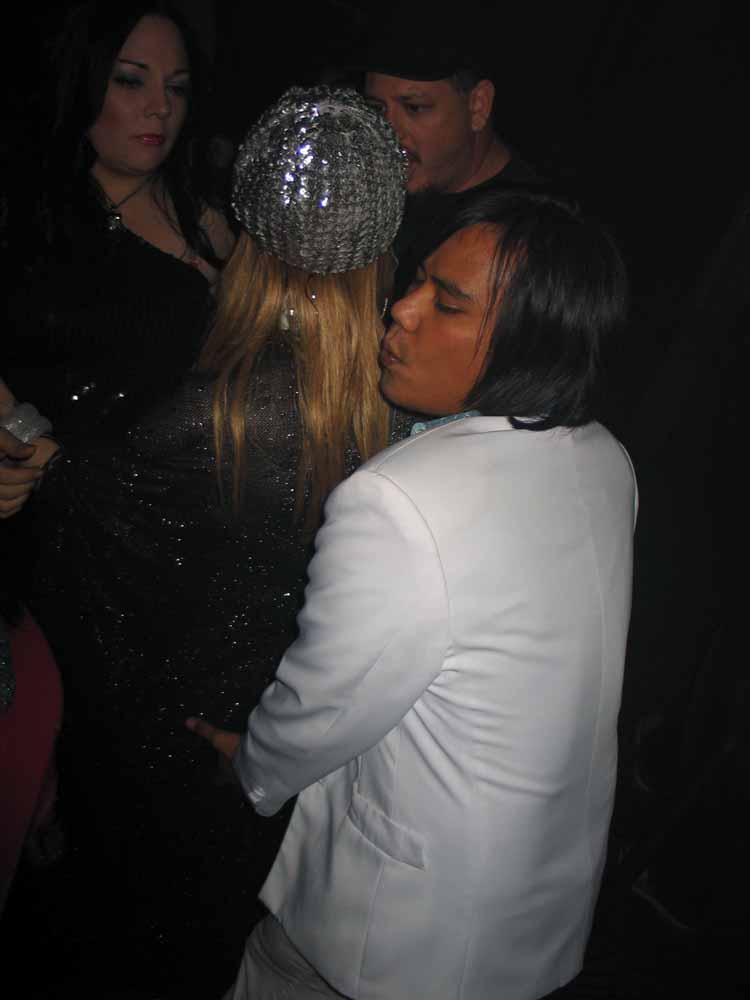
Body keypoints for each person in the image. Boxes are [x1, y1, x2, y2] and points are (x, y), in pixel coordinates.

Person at [0, 87, 406, 998]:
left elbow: (97, 520)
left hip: (174, 745)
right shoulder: (394, 399)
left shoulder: (221, 408)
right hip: (280, 750)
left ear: (250, 239)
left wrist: (37, 454)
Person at [189, 188, 637, 1000]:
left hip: (390, 937)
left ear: (530, 341)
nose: (400, 310)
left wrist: (249, 769)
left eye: (448, 303)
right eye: (419, 280)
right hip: (537, 911)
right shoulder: (605, 456)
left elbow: (324, 705)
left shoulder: (400, 499)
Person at [358, 12, 542, 299]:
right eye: (376, 109)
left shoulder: (527, 235)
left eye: (414, 107)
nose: (387, 132)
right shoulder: (377, 193)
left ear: (478, 106)